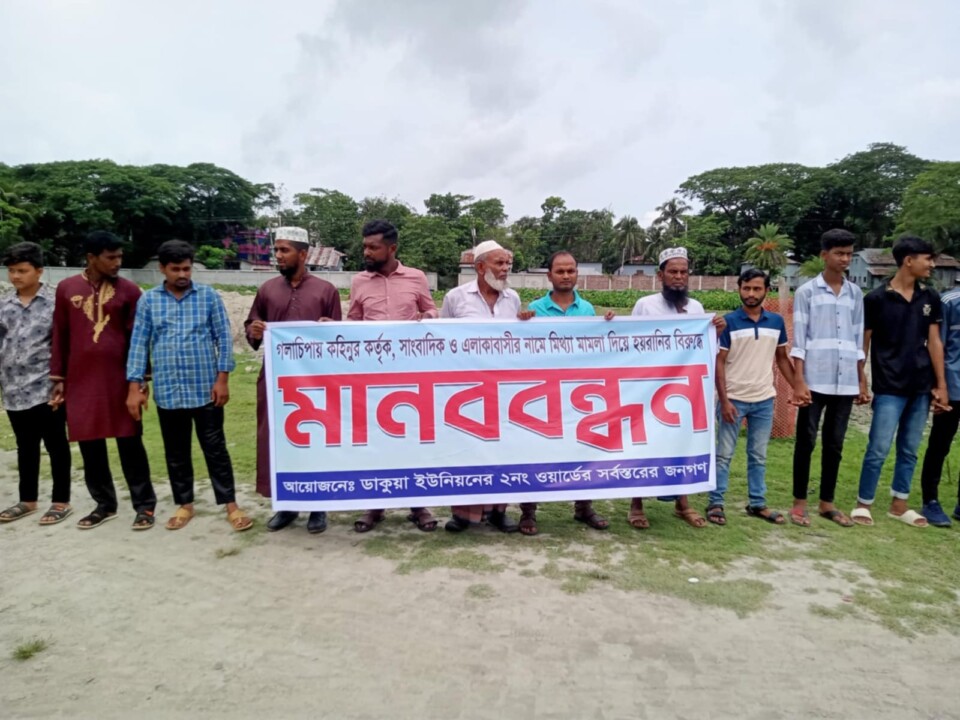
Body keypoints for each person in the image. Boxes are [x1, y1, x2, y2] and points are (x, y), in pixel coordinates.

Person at [126, 240, 252, 533]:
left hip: (206, 389)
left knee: (215, 449)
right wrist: (135, 385)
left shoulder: (208, 297)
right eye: (176, 269)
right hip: (169, 391)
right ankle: (185, 504)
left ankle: (231, 505)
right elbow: (139, 344)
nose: (182, 274)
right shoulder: (149, 301)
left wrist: (223, 379)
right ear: (162, 269)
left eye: (187, 268)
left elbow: (224, 339)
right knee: (176, 452)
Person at [50, 230, 157, 530]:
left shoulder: (130, 291)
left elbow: (139, 339)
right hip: (80, 380)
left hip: (121, 379)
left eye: (120, 257)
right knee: (90, 444)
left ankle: (144, 506)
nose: (117, 263)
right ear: (91, 257)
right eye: (111, 257)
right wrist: (58, 377)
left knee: (130, 442)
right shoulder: (66, 288)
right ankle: (104, 505)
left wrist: (140, 381)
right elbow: (60, 333)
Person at [245, 227, 342, 534]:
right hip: (276, 380)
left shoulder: (326, 291)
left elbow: (339, 339)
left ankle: (318, 507)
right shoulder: (267, 290)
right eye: (276, 250)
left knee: (315, 438)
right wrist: (254, 330)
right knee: (278, 439)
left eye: (284, 250)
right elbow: (252, 327)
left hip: (315, 383)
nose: (278, 256)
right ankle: (286, 505)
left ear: (302, 254)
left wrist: (329, 328)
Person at [347, 219, 440, 533]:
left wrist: (428, 317)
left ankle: (418, 505)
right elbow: (353, 322)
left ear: (392, 248)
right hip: (372, 376)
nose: (366, 252)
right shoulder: (359, 281)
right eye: (365, 246)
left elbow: (431, 310)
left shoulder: (416, 277)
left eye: (373, 247)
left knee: (412, 439)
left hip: (411, 375)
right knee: (376, 440)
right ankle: (375, 506)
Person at [852, 235, 950, 528]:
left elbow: (935, 342)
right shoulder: (876, 299)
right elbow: (863, 344)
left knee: (909, 449)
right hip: (889, 386)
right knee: (878, 448)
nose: (932, 265)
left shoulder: (930, 297)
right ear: (908, 260)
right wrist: (861, 380)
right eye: (927, 259)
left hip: (921, 385)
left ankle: (900, 505)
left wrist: (941, 384)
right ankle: (863, 504)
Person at [440, 239, 533, 533]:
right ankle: (462, 514)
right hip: (466, 390)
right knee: (466, 449)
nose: (506, 269)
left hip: (503, 390)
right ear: (480, 267)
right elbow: (441, 340)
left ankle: (498, 511)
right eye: (499, 263)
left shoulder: (513, 299)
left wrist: (525, 322)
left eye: (508, 263)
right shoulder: (455, 298)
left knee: (502, 450)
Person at [627, 247, 724, 530]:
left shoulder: (697, 309)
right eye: (673, 272)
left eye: (683, 272)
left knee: (683, 444)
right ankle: (636, 504)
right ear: (661, 275)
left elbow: (706, 350)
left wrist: (715, 331)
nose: (679, 277)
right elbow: (627, 341)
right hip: (648, 388)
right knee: (643, 445)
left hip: (684, 390)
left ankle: (683, 504)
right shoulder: (645, 305)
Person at [517, 250, 613, 536]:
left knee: (583, 448)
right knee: (535, 451)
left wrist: (610, 325)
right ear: (549, 275)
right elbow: (520, 347)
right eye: (560, 271)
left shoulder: (588, 310)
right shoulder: (535, 309)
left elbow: (596, 347)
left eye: (571, 270)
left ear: (577, 273)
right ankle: (528, 511)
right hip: (542, 392)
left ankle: (583, 507)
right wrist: (521, 322)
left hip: (577, 392)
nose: (566, 275)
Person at [709, 268, 798, 526]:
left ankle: (757, 503)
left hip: (764, 399)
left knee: (758, 455)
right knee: (724, 454)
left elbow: (782, 358)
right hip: (733, 399)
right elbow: (719, 363)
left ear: (766, 291)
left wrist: (798, 387)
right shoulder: (728, 322)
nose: (751, 293)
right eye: (746, 288)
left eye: (756, 289)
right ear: (739, 289)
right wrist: (724, 400)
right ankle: (716, 502)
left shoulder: (776, 322)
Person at [790, 229, 867, 527]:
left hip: (845, 381)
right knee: (806, 441)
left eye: (849, 254)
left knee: (835, 444)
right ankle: (799, 503)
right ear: (824, 255)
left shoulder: (855, 294)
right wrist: (799, 381)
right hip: (814, 379)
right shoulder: (807, 292)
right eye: (839, 253)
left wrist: (861, 380)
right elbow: (800, 339)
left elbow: (858, 340)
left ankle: (827, 503)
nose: (845, 259)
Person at [0, 242, 72, 525]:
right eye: (11, 271)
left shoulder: (56, 302)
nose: (16, 276)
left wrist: (63, 381)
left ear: (39, 271)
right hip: (13, 388)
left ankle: (61, 500)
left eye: (22, 270)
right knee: (25, 445)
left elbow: (65, 344)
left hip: (47, 387)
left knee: (56, 444)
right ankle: (27, 500)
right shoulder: (4, 304)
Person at [918, 284, 960, 527]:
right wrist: (939, 385)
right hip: (952, 388)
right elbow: (936, 345)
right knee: (940, 444)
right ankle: (930, 500)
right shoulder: (949, 301)